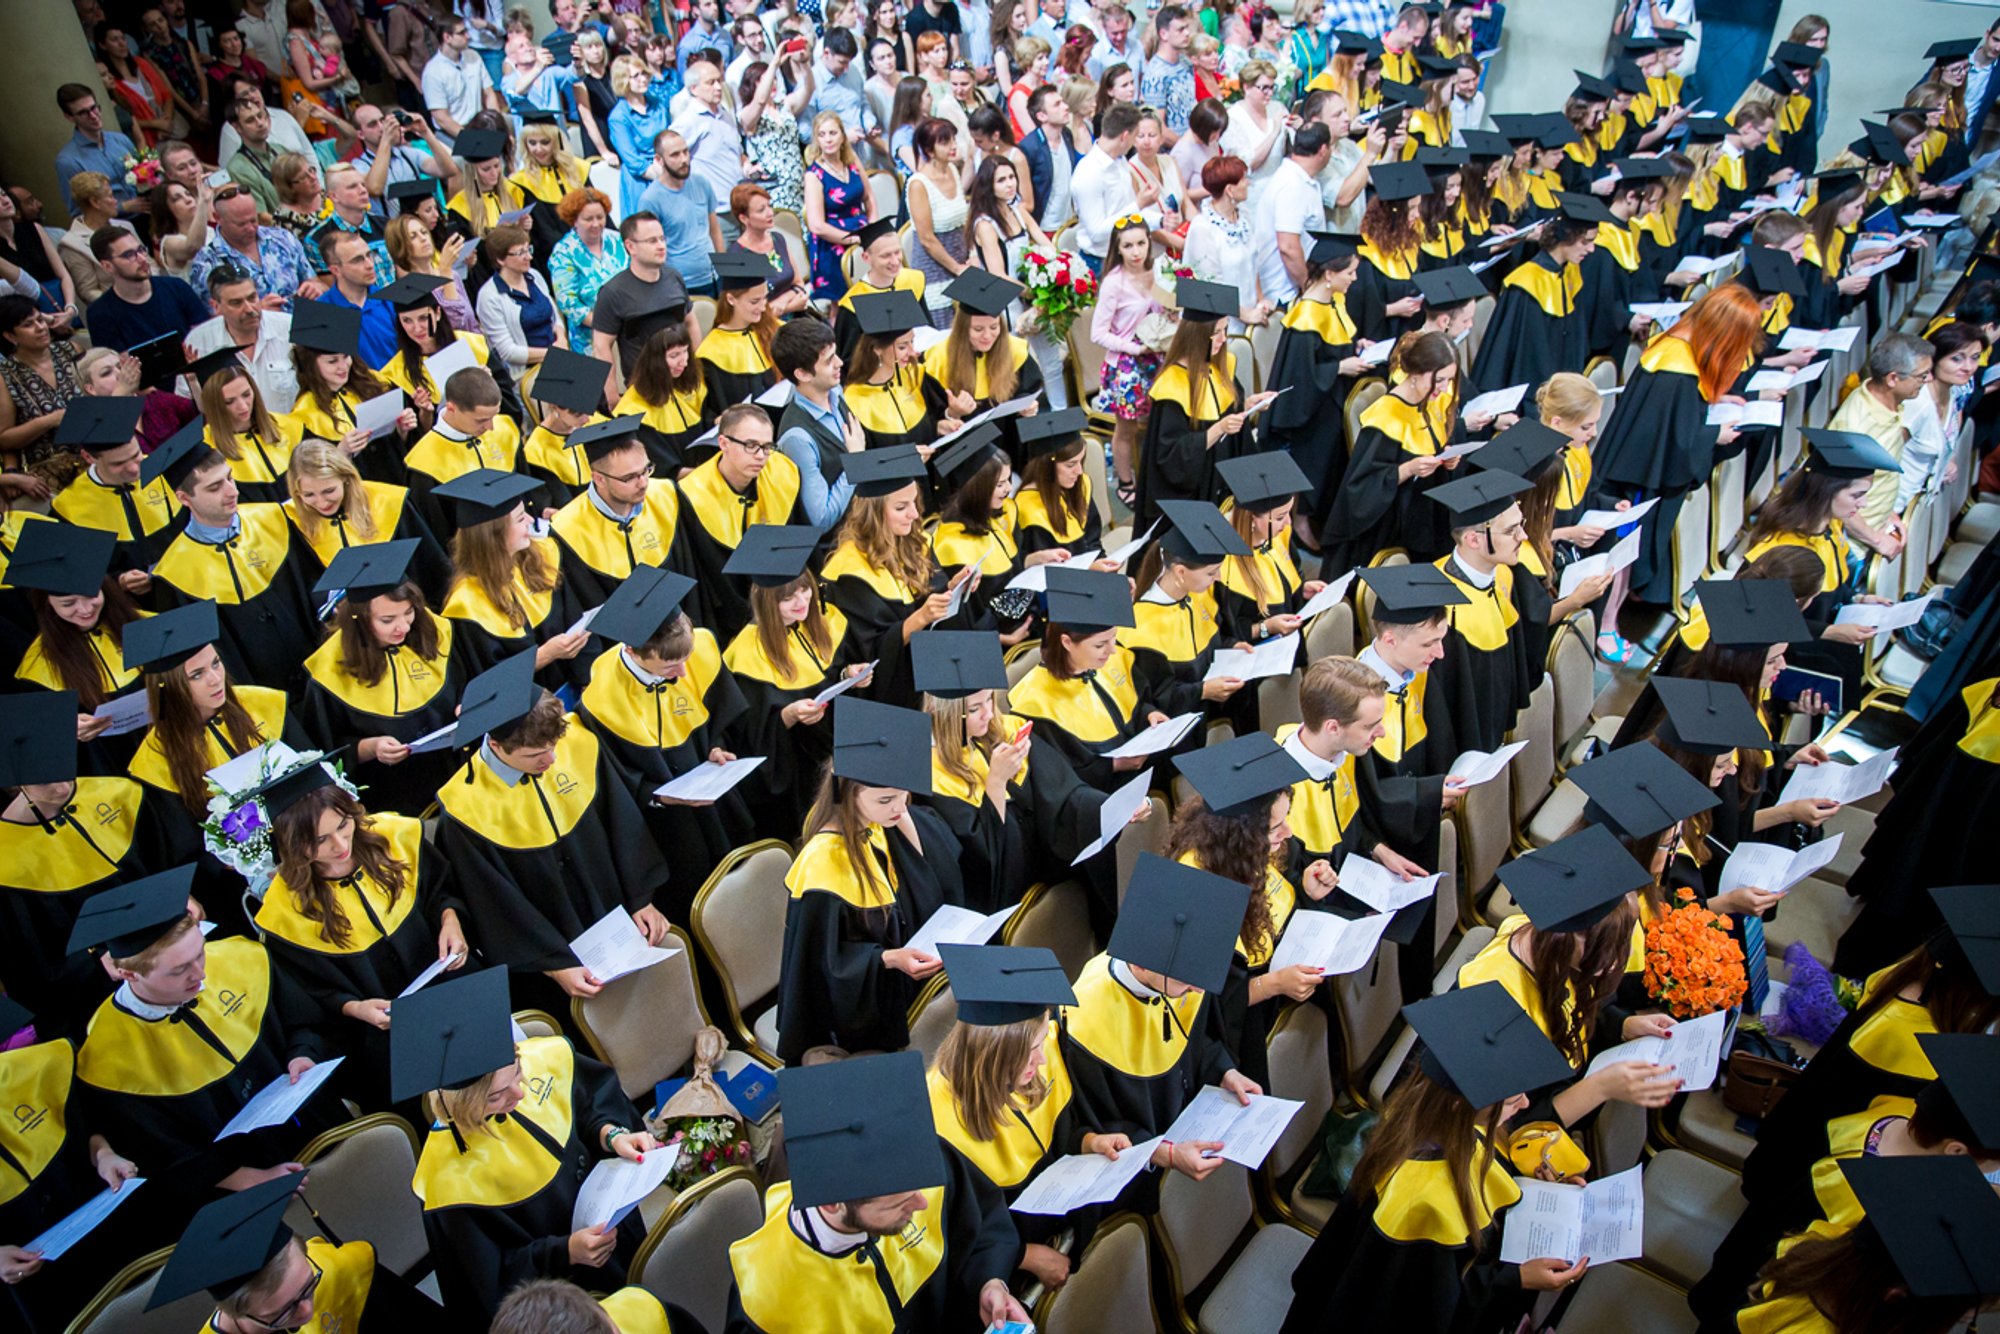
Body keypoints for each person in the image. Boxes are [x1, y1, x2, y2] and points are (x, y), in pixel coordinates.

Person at [1280, 983, 1586, 1332]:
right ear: (1461, 1104)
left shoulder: (1418, 1121)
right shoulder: (1426, 1202)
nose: (1525, 1104)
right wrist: (1516, 1280)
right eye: (1513, 1099)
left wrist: (1543, 1198)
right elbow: (1429, 1312)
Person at [395, 968, 661, 1323]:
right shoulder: (447, 1181)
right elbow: (491, 1283)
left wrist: (611, 1134)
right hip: (567, 1294)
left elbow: (587, 1103)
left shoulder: (544, 1058)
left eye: (517, 1072)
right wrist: (564, 1252)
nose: (519, 1094)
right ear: (462, 1105)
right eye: (496, 1096)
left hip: (618, 1234)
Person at [69, 866, 334, 1197]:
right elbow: (161, 1153)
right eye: (180, 970)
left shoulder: (241, 958)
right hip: (240, 1187)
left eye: (200, 953)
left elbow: (305, 1021)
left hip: (321, 1127)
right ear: (129, 974)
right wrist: (245, 1180)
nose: (201, 974)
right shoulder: (108, 1057)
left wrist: (303, 1054)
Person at [727, 1051, 1028, 1331]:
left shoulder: (921, 1167)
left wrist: (989, 1283)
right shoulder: (765, 1301)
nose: (922, 1202)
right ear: (832, 1204)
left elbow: (984, 1226)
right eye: (896, 1203)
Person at [433, 651, 667, 1006]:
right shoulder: (463, 808)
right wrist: (553, 965)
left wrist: (641, 898)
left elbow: (622, 822)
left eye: (554, 746)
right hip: (553, 959)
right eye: (535, 755)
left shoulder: (579, 743)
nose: (552, 759)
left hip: (620, 924)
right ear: (496, 745)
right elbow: (496, 905)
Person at [1059, 854, 1262, 1202]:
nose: (1196, 989)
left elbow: (1196, 1041)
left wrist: (1225, 1071)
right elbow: (1098, 1125)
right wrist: (1164, 1153)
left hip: (1194, 1137)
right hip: (1140, 1172)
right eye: (1187, 982)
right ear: (1140, 965)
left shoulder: (1179, 972)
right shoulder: (1085, 1021)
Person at [777, 698, 967, 1060]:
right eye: (886, 800)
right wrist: (890, 959)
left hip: (896, 983)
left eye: (904, 794)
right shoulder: (822, 864)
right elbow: (824, 969)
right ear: (848, 794)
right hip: (857, 1016)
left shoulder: (873, 824)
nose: (900, 807)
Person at [1588, 281, 1762, 607]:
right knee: (1626, 547)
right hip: (1636, 479)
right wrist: (1715, 435)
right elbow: (1675, 444)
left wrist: (1715, 401)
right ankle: (1612, 616)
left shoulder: (1676, 348)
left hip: (1632, 463)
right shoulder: (1677, 373)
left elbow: (1672, 422)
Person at [297, 541, 465, 818]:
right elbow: (321, 750)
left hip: (458, 779)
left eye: (409, 612)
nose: (403, 627)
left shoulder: (435, 632)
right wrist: (368, 748)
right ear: (358, 619)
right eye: (387, 620)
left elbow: (468, 682)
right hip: (391, 799)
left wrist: (465, 705)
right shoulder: (328, 673)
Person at [436, 470, 587, 678]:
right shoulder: (467, 604)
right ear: (494, 535)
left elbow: (576, 619)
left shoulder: (544, 555)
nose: (530, 520)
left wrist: (586, 678)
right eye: (520, 518)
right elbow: (487, 679)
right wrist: (544, 655)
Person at [1468, 194, 1598, 395]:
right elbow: (1522, 363)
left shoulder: (1570, 274)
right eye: (1586, 242)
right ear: (1567, 236)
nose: (1592, 249)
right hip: (1532, 396)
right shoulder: (1526, 284)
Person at [48, 397, 180, 569]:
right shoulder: (68, 508)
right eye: (118, 464)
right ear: (88, 457)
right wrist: (119, 579)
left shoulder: (166, 470)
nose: (134, 469)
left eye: (136, 455)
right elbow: (76, 569)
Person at [773, 317, 866, 536]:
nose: (840, 363)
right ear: (802, 374)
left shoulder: (836, 393)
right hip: (841, 544)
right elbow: (821, 519)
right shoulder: (797, 438)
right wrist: (855, 463)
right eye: (828, 361)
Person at [590, 213, 696, 399]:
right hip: (644, 390)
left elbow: (691, 322)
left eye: (662, 239)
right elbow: (601, 347)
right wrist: (612, 395)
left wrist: (697, 369)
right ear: (630, 246)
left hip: (682, 383)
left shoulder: (674, 277)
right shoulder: (612, 292)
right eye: (652, 241)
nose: (661, 246)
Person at [189, 186, 321, 313]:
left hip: (303, 321)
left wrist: (314, 287)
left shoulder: (282, 238)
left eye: (253, 220)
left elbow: (314, 280)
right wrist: (256, 310)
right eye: (241, 224)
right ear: (218, 218)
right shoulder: (206, 263)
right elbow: (212, 318)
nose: (250, 228)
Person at [0, 299, 85, 467]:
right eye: (28, 325)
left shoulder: (71, 350)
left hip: (95, 454)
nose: (40, 328)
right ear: (10, 336)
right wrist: (49, 421)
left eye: (40, 320)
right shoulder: (6, 375)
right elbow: (4, 439)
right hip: (50, 466)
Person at [803, 111, 875, 301]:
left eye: (833, 133)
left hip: (862, 234)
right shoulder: (813, 175)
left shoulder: (852, 161)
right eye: (822, 135)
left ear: (843, 136)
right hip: (833, 242)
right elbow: (817, 226)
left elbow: (869, 197)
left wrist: (873, 229)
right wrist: (852, 240)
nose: (828, 139)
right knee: (843, 304)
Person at [546, 187, 625, 356]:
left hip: (628, 328)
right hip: (590, 339)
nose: (596, 224)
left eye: (600, 217)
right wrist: (608, 325)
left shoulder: (617, 239)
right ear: (574, 220)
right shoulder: (563, 252)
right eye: (588, 219)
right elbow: (568, 302)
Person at [1072, 103, 1142, 273]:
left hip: (1125, 256)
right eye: (1136, 136)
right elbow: (1097, 233)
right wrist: (1138, 205)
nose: (1135, 142)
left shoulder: (1120, 161)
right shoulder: (1089, 173)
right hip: (1100, 263)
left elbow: (1125, 208)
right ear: (1125, 136)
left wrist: (1161, 220)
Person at [53, 83, 140, 218]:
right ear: (69, 117)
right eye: (83, 113)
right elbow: (79, 213)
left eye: (94, 108)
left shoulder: (120, 140)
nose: (93, 116)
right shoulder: (68, 161)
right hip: (114, 224)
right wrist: (123, 207)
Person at [424, 14, 502, 147]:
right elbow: (442, 119)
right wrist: (474, 140)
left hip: (479, 125)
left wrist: (497, 127)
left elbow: (489, 94)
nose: (468, 36)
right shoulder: (433, 72)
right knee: (482, 154)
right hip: (452, 133)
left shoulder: (473, 56)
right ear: (447, 37)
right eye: (462, 33)